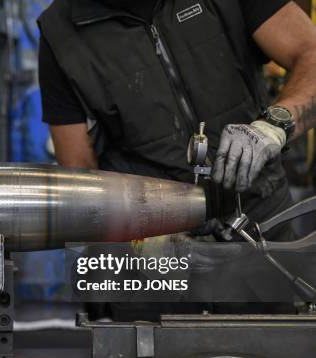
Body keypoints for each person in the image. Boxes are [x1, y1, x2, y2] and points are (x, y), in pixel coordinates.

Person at [38, 0, 316, 237]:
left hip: (262, 229)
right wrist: (135, 241)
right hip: (158, 258)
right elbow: (81, 181)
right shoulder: (60, 33)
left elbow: (310, 55)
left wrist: (274, 126)